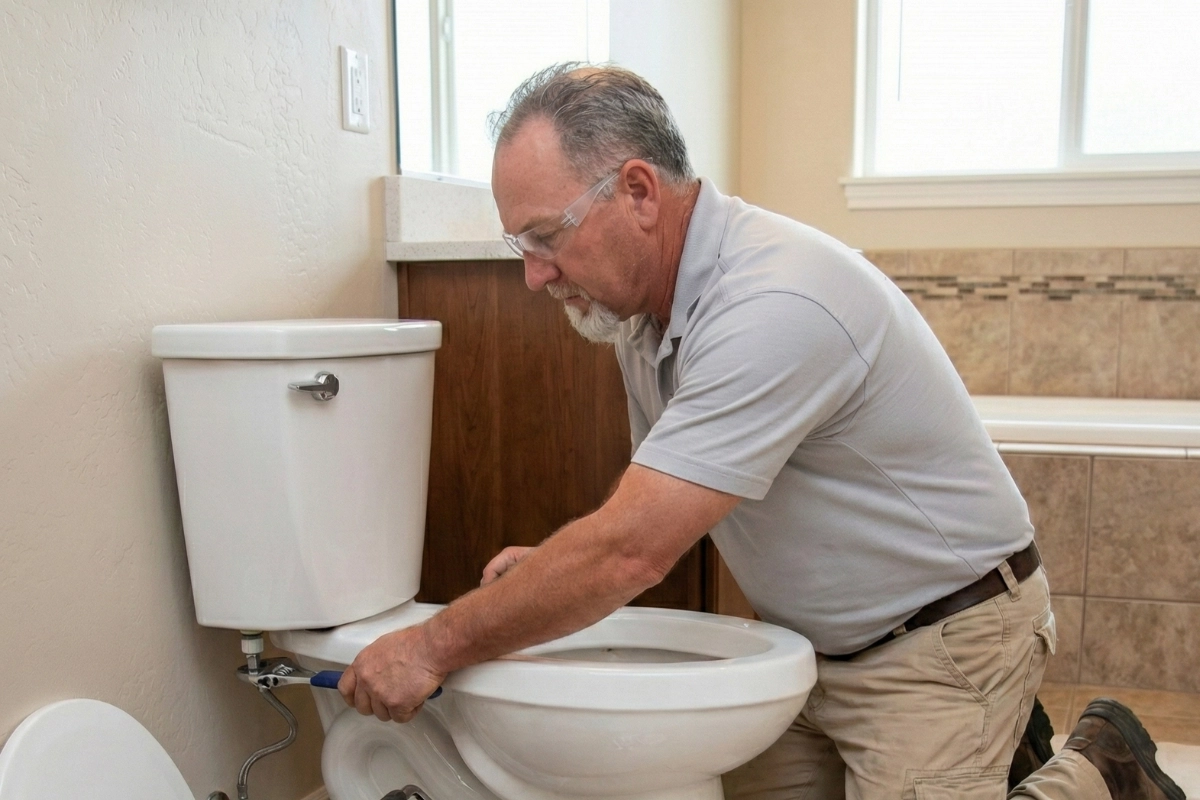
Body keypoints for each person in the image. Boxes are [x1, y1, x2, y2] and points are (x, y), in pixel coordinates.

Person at [337, 64, 1185, 800]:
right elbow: (653, 502)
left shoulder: (773, 304)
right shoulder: (640, 312)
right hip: (809, 643)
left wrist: (431, 645)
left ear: (637, 191)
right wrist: (551, 571)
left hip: (944, 636)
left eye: (544, 237)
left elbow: (630, 550)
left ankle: (1097, 770)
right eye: (519, 243)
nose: (533, 275)